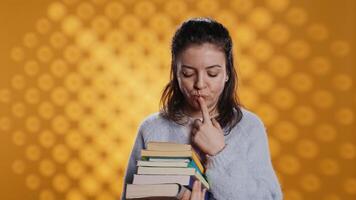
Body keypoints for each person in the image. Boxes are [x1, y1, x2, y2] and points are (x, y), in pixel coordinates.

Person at [121, 17, 283, 200]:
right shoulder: (152, 128)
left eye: (212, 73)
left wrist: (219, 152)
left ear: (227, 73)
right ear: (176, 73)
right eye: (188, 73)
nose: (199, 84)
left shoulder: (249, 127)